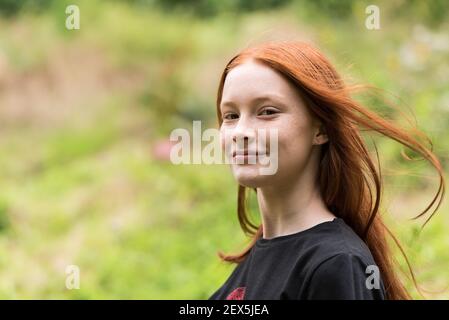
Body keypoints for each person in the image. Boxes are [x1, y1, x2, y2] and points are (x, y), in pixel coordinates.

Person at [208, 41, 445, 300]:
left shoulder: (335, 264)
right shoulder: (255, 260)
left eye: (267, 112)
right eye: (230, 116)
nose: (241, 132)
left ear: (320, 129)